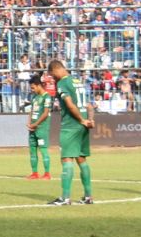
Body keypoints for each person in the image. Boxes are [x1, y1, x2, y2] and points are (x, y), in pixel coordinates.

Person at [47, 59, 93, 206]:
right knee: (81, 159)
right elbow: (89, 104)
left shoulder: (63, 83)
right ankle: (88, 196)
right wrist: (89, 119)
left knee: (66, 159)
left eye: (53, 75)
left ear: (56, 69)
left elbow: (69, 104)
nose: (53, 79)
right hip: (84, 125)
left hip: (72, 125)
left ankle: (65, 198)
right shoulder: (77, 81)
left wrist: (80, 119)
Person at [25, 73, 52, 180]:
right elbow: (31, 110)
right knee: (32, 150)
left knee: (43, 150)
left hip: (41, 128)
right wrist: (29, 123)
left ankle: (47, 173)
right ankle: (35, 173)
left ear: (38, 85)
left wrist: (36, 124)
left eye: (33, 87)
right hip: (32, 128)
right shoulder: (35, 97)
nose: (32, 90)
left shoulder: (47, 97)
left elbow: (45, 113)